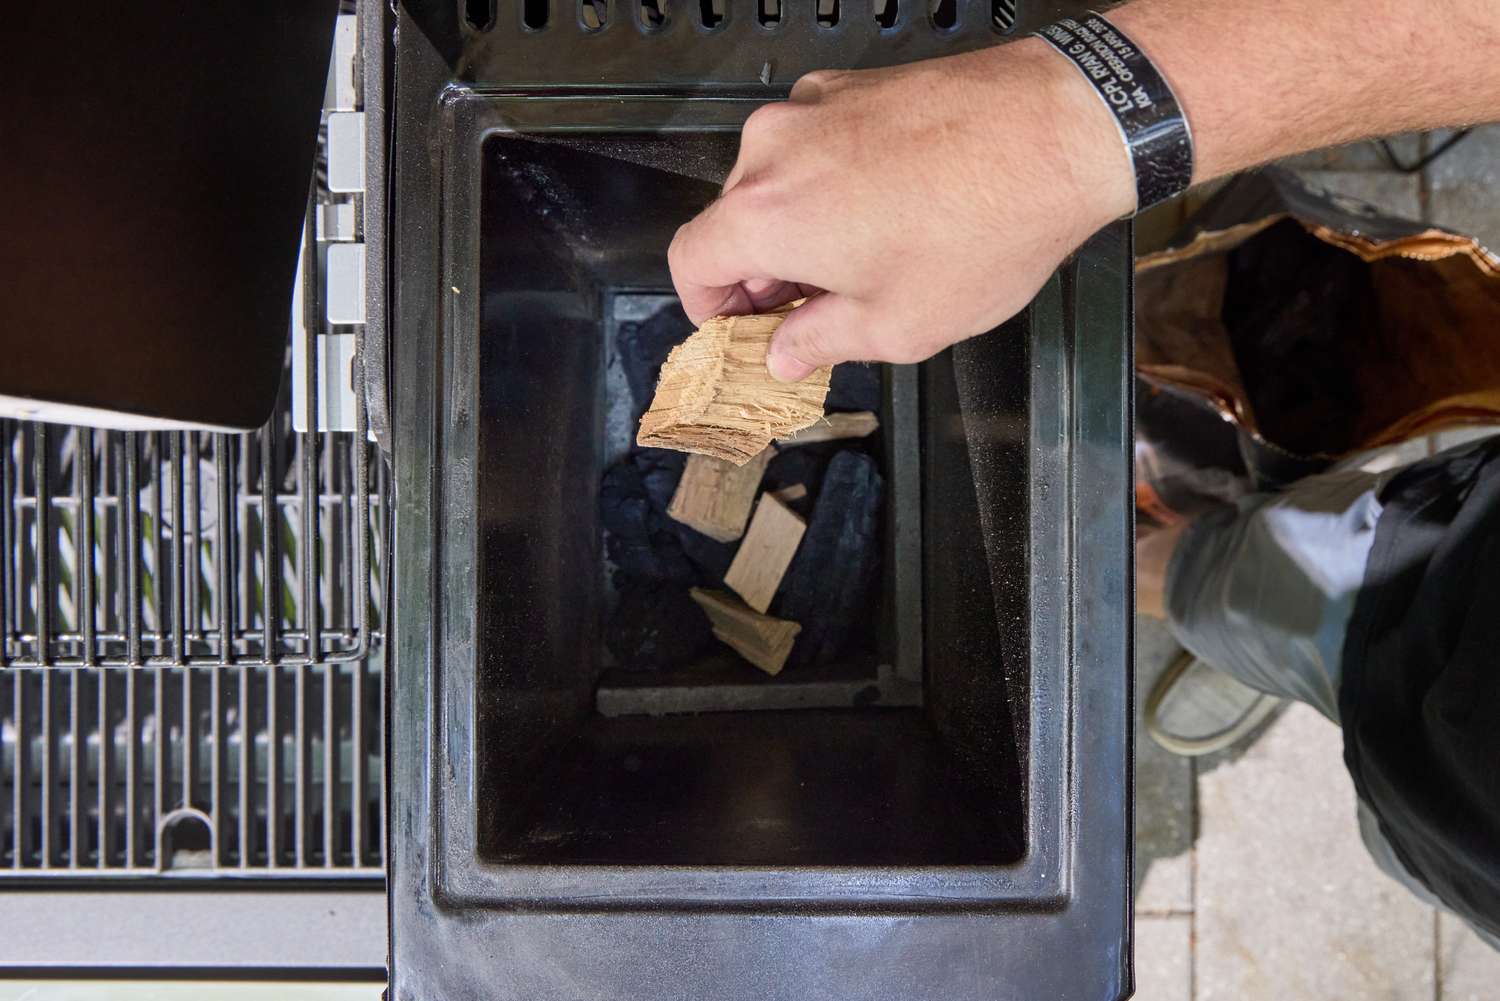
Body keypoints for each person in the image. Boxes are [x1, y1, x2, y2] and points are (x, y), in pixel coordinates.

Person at [666, 0, 1500, 949]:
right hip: (1451, 598)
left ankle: (1263, 631)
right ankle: (1246, 612)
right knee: (1269, 583)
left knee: (1353, 749)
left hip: (1461, 843)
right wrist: (1062, 126)